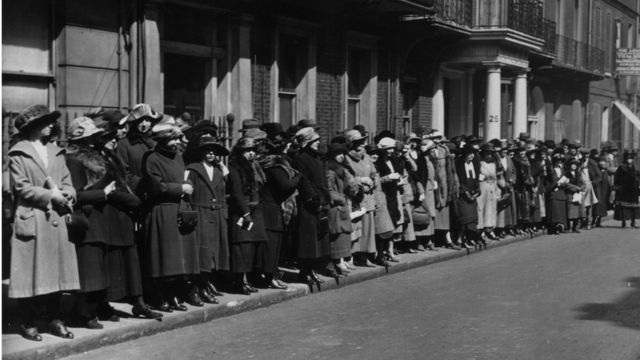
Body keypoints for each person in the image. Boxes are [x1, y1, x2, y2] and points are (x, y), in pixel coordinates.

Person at [8, 105, 80, 341]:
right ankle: (27, 321)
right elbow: (21, 188)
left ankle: (54, 319)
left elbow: (67, 180)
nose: (52, 125)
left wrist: (69, 192)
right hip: (33, 218)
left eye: (52, 121)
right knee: (30, 274)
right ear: (33, 127)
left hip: (56, 220)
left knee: (55, 274)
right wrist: (51, 196)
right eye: (46, 121)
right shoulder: (19, 153)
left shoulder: (56, 151)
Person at [142, 117, 200, 311]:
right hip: (162, 211)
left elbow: (185, 177)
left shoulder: (178, 156)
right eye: (173, 139)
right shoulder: (151, 158)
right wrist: (180, 188)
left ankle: (174, 294)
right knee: (164, 258)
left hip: (178, 210)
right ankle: (160, 297)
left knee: (178, 258)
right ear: (162, 140)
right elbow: (156, 186)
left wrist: (188, 185)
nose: (177, 143)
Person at [185, 134, 230, 302]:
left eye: (214, 151)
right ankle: (195, 289)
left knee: (213, 254)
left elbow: (224, 192)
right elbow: (187, 193)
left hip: (216, 215)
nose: (211, 154)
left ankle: (206, 286)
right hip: (201, 214)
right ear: (201, 152)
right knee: (201, 254)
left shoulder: (219, 170)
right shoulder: (193, 169)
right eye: (207, 151)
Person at [255, 126, 301, 289]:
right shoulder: (275, 166)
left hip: (270, 209)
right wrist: (298, 177)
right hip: (272, 210)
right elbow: (285, 186)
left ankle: (269, 275)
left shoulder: (265, 163)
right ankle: (270, 277)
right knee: (272, 247)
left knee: (271, 247)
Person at [227, 136, 269, 294]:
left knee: (251, 248)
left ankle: (247, 279)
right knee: (241, 248)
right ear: (240, 152)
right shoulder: (235, 167)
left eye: (253, 150)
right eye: (247, 151)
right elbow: (236, 192)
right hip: (242, 211)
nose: (251, 154)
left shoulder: (255, 166)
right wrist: (245, 213)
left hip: (255, 209)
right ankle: (239, 281)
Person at [290, 127, 333, 284]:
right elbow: (303, 180)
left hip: (320, 202)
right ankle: (304, 271)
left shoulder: (317, 158)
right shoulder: (299, 158)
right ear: (307, 143)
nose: (318, 143)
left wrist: (325, 198)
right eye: (315, 141)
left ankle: (313, 269)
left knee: (319, 239)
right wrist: (312, 198)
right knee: (308, 241)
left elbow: (322, 180)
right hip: (308, 203)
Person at [343, 129, 378, 267]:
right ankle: (350, 257)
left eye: (362, 141)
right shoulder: (346, 158)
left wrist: (372, 182)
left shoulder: (368, 157)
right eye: (358, 142)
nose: (361, 144)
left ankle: (364, 256)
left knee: (368, 229)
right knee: (356, 227)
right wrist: (360, 181)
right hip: (355, 198)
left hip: (369, 197)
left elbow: (374, 174)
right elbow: (346, 177)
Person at [326, 142, 359, 275]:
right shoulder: (330, 170)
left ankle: (343, 260)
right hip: (337, 207)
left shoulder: (342, 168)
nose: (340, 156)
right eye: (337, 154)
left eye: (342, 154)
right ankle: (338, 261)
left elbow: (351, 183)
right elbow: (329, 189)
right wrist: (340, 198)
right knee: (338, 233)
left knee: (345, 233)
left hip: (343, 205)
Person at [477, 143, 499, 239]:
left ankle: (490, 229)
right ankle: (481, 230)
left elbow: (495, 178)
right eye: (487, 154)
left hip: (492, 187)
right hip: (483, 186)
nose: (489, 156)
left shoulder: (493, 164)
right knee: (482, 208)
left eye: (491, 154)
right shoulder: (479, 164)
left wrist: (496, 189)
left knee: (491, 208)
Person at [613, 151, 640, 228]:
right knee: (624, 207)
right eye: (628, 159)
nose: (630, 160)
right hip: (624, 189)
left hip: (634, 189)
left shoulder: (635, 167)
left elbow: (638, 177)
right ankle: (624, 222)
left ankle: (633, 222)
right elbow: (617, 177)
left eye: (631, 159)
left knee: (634, 207)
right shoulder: (621, 167)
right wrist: (617, 186)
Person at [592, 156, 610, 227]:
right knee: (597, 206)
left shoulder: (606, 171)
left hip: (604, 191)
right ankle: (593, 221)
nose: (602, 164)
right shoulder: (597, 171)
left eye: (603, 162)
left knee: (602, 207)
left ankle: (598, 222)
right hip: (598, 190)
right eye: (601, 162)